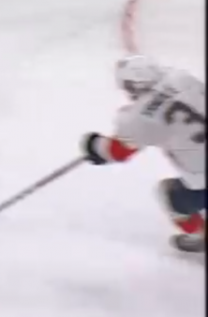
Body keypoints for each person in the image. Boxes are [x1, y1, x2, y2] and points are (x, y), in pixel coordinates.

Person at [80, 55, 206, 252]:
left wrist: (94, 146)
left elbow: (117, 152)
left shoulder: (139, 118)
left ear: (131, 86)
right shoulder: (183, 79)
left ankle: (201, 234)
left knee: (170, 195)